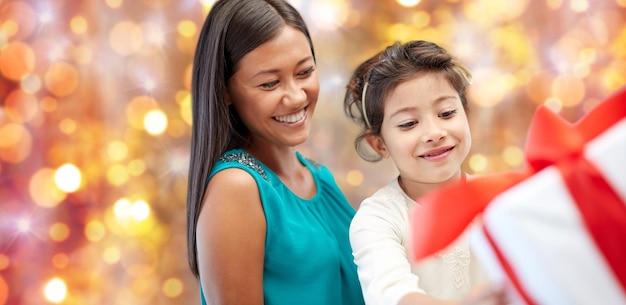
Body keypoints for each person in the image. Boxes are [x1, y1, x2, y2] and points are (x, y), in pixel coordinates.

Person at [185, 0, 365, 304]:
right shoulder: (236, 189)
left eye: (305, 71)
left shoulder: (319, 176)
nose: (296, 97)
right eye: (270, 83)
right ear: (224, 91)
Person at [343, 40, 508, 305]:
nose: (434, 133)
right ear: (380, 144)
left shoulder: (501, 197)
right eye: (409, 123)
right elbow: (394, 296)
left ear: (465, 115)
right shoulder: (378, 218)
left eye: (446, 113)